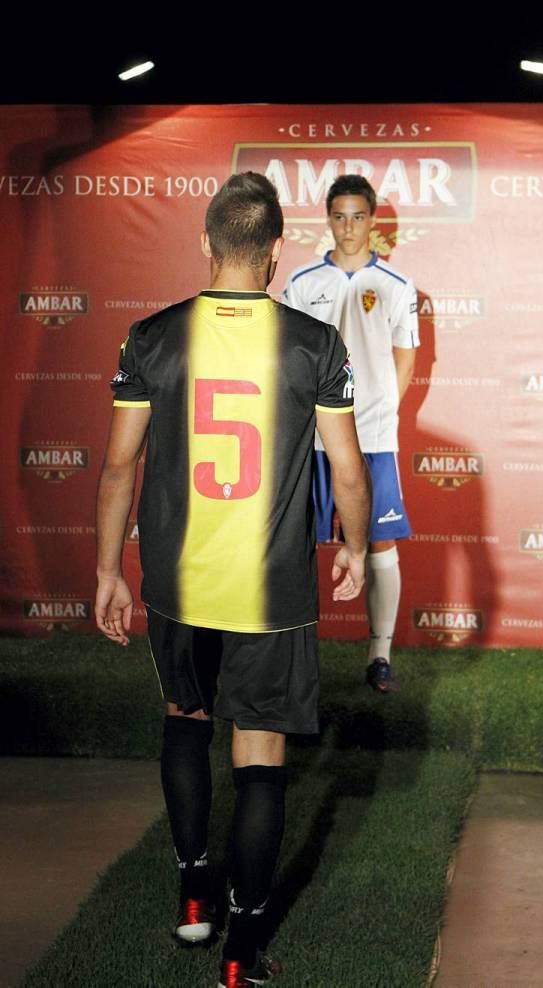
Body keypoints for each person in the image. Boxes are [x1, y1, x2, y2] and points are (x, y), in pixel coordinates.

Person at [95, 172, 370, 988]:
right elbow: (347, 472)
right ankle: (243, 953)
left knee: (185, 720)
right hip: (272, 594)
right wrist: (354, 544)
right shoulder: (314, 344)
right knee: (260, 758)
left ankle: (192, 897)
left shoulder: (151, 336)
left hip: (177, 586)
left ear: (205, 244)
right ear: (277, 253)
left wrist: (108, 567)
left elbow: (117, 469)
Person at [283, 174, 419, 693]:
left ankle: (379, 656)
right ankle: (292, 651)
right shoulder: (302, 283)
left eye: (358, 216)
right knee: (294, 540)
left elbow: (405, 355)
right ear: (328, 219)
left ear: (373, 220)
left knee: (379, 540)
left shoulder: (397, 287)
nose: (348, 227)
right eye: (338, 216)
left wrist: (383, 408)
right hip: (311, 434)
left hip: (374, 436)